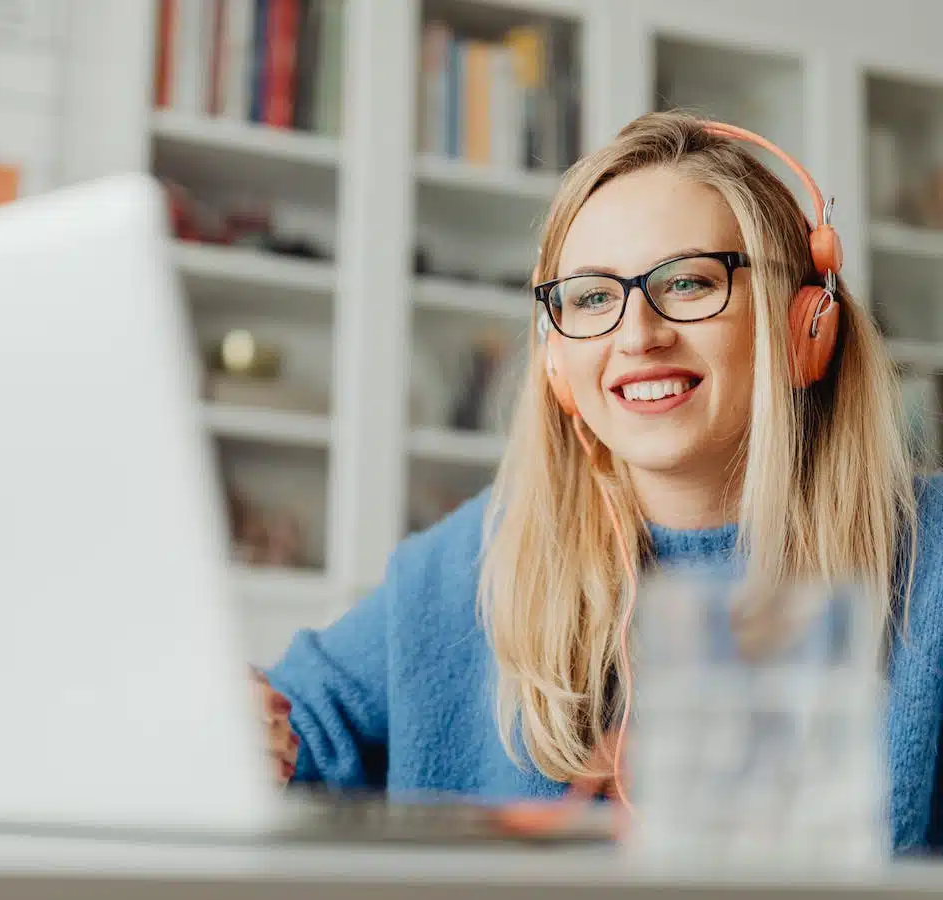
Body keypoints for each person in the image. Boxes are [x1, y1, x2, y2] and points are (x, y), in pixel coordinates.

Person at [254, 110, 943, 854]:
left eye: (687, 282)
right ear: (556, 361)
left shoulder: (930, 559)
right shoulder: (468, 563)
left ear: (807, 322)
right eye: (589, 297)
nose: (637, 334)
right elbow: (295, 735)